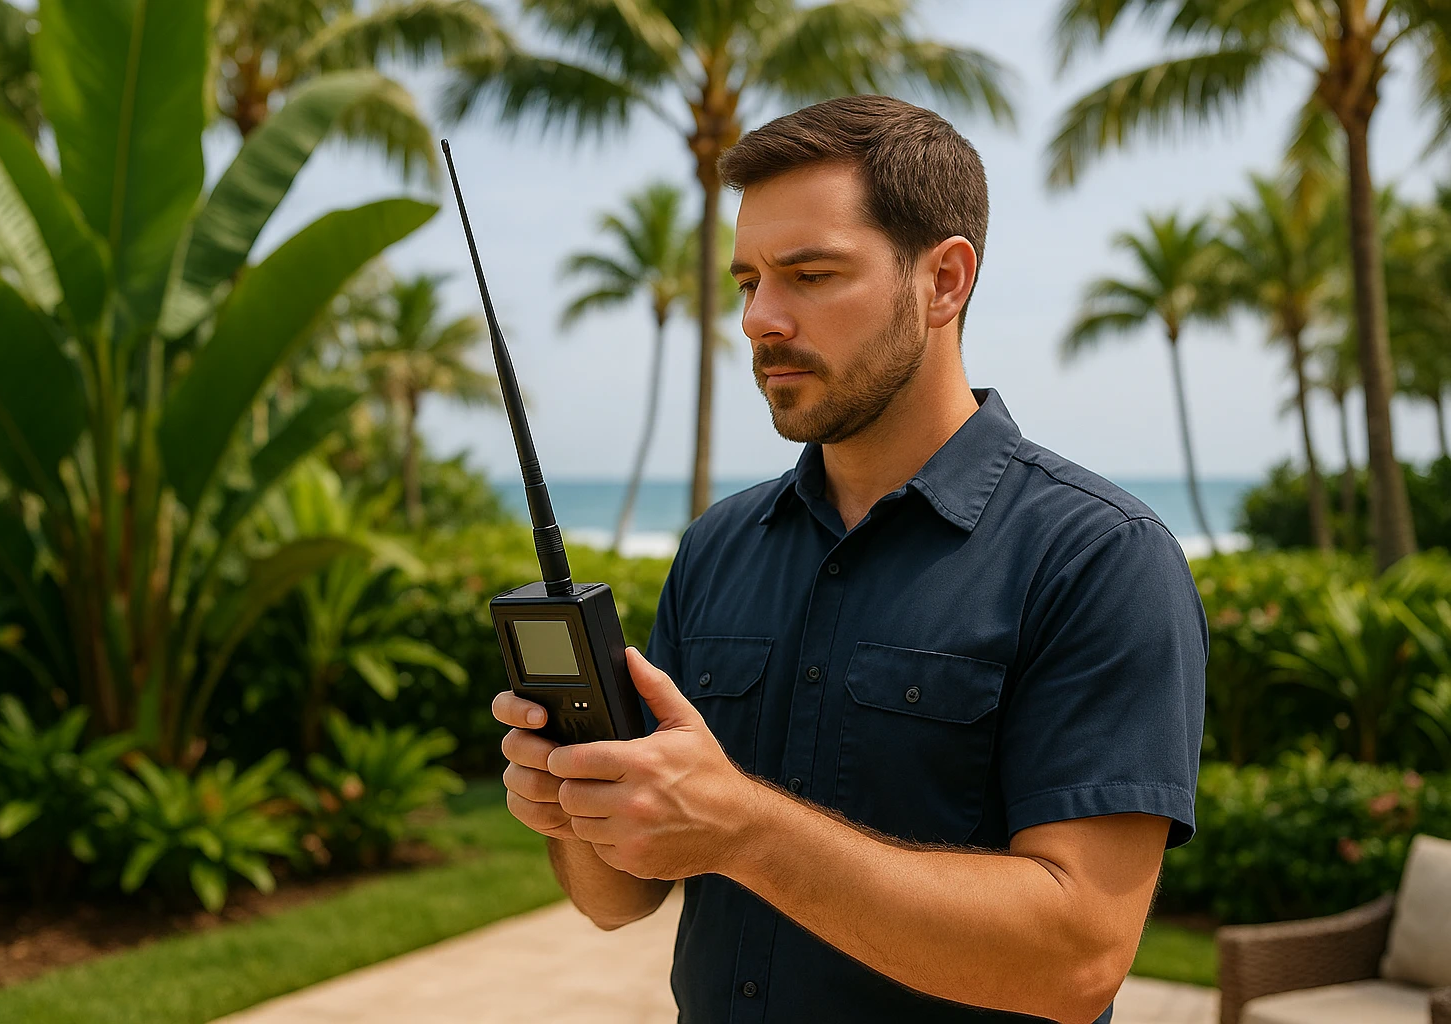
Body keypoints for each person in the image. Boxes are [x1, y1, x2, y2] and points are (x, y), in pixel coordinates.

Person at [493, 94, 1207, 1024]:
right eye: (749, 282)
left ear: (945, 281)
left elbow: (1074, 963)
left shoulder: (1100, 559)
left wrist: (744, 830)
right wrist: (575, 807)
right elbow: (618, 899)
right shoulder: (718, 547)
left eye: (811, 274)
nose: (758, 320)